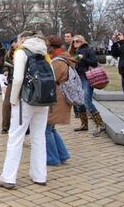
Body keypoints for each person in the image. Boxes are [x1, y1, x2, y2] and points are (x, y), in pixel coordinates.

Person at [0, 31, 49, 189]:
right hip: (43, 99)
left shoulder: (22, 52)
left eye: (18, 40)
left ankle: (8, 177)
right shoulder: (44, 52)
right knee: (39, 137)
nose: (16, 43)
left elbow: (18, 79)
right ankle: (40, 175)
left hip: (25, 100)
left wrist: (12, 100)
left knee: (15, 138)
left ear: (23, 39)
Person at [69, 35, 106, 137]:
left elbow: (94, 63)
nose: (75, 43)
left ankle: (100, 124)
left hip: (86, 78)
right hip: (77, 79)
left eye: (77, 41)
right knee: (80, 102)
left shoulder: (88, 50)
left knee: (87, 101)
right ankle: (84, 124)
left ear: (82, 41)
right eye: (73, 41)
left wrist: (83, 59)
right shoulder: (73, 51)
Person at [46, 36, 73, 166]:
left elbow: (51, 78)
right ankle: (62, 154)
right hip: (60, 97)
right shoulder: (63, 58)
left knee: (47, 128)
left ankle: (52, 158)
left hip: (57, 98)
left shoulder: (58, 61)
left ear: (52, 46)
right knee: (50, 128)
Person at [1, 37, 18, 134]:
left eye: (15, 42)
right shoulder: (8, 54)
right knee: (6, 104)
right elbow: (5, 65)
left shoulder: (24, 53)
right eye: (13, 43)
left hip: (24, 82)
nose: (13, 44)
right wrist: (6, 71)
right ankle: (5, 126)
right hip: (12, 80)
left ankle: (26, 127)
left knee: (23, 105)